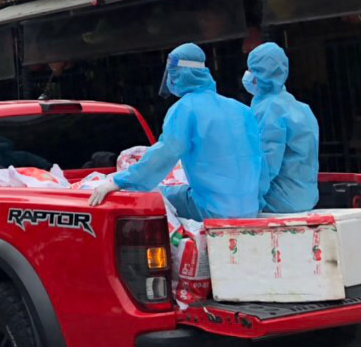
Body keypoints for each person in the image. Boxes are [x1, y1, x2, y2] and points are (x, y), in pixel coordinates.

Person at [88, 43, 262, 220]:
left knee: (157, 194)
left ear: (180, 74)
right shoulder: (242, 110)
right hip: (251, 209)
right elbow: (259, 160)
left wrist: (119, 181)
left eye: (172, 72)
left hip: (212, 210)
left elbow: (165, 153)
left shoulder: (185, 109)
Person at [244, 42, 320, 213]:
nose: (248, 75)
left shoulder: (270, 109)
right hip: (307, 197)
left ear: (261, 74)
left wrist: (247, 199)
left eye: (251, 70)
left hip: (280, 200)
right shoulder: (302, 108)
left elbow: (266, 164)